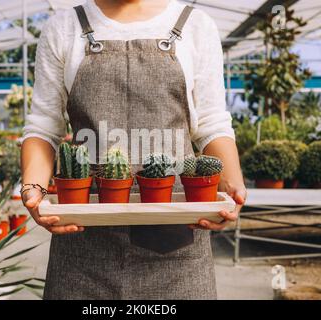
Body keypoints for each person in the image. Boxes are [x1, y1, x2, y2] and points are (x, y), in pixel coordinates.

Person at [21, 0, 246, 299]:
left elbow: (211, 123)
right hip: (84, 241)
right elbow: (43, 126)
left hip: (176, 238)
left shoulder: (195, 25)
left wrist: (231, 185)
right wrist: (32, 187)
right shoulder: (64, 27)